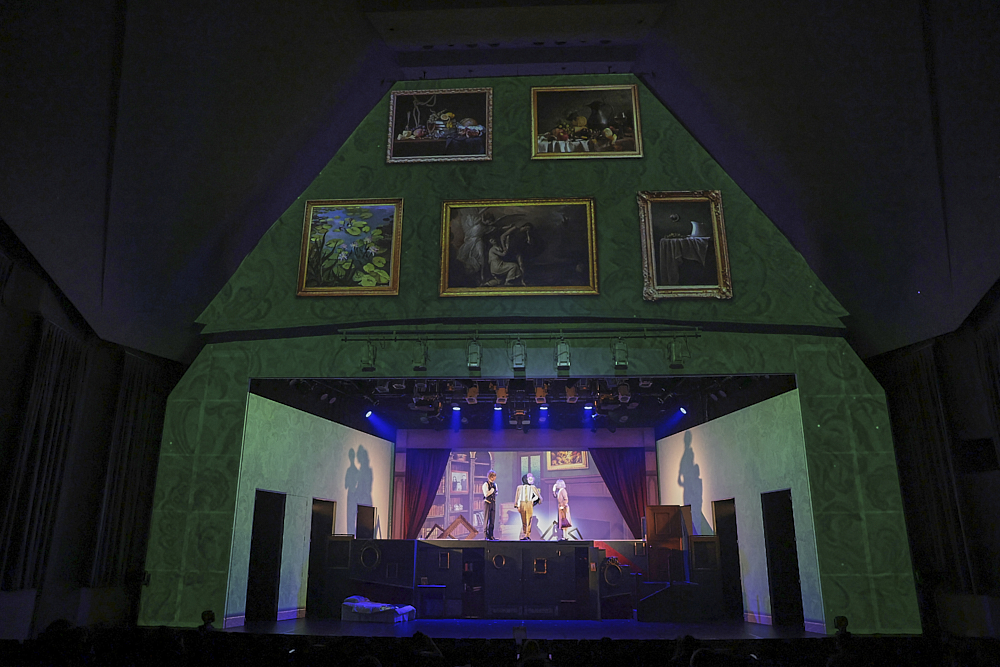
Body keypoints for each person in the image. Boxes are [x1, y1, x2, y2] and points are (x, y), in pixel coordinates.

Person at [515, 473, 540, 540]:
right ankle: (524, 534)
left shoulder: (532, 487)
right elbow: (519, 497)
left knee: (529, 519)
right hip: (522, 503)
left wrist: (532, 500)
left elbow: (536, 496)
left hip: (528, 503)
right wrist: (518, 506)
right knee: (523, 520)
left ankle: (527, 535)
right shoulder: (520, 487)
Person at [482, 470, 498, 540]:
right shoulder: (485, 484)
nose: (494, 478)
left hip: (493, 503)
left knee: (492, 520)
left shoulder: (495, 485)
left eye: (494, 476)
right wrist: (491, 491)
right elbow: (486, 494)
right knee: (486, 519)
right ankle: (485, 535)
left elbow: (496, 493)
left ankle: (491, 535)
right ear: (490, 477)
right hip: (487, 503)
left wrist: (494, 492)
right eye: (493, 476)